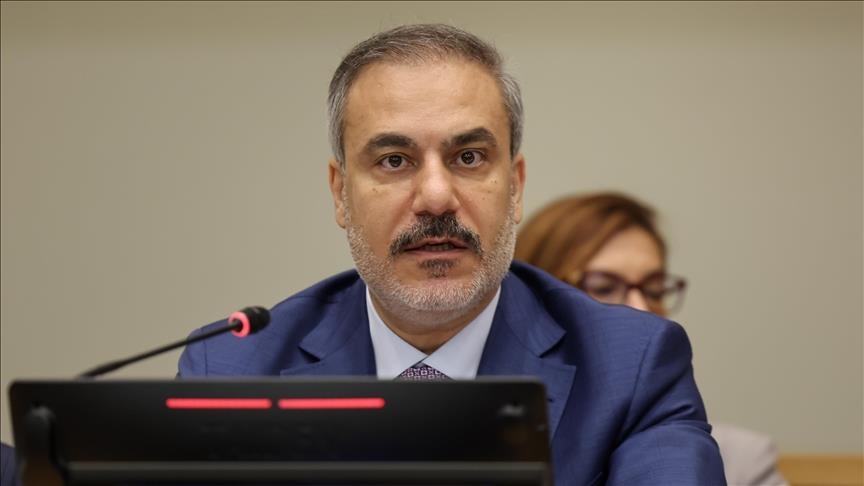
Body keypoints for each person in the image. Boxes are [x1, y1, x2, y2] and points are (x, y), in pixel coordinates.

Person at [179, 24, 725, 484]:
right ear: (340, 193)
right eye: (395, 160)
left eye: (468, 157)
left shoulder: (631, 367)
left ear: (515, 186)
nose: (436, 197)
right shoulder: (232, 374)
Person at [515, 191, 787, 486]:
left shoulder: (741, 461)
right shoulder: (495, 439)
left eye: (655, 289)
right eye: (604, 287)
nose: (641, 309)